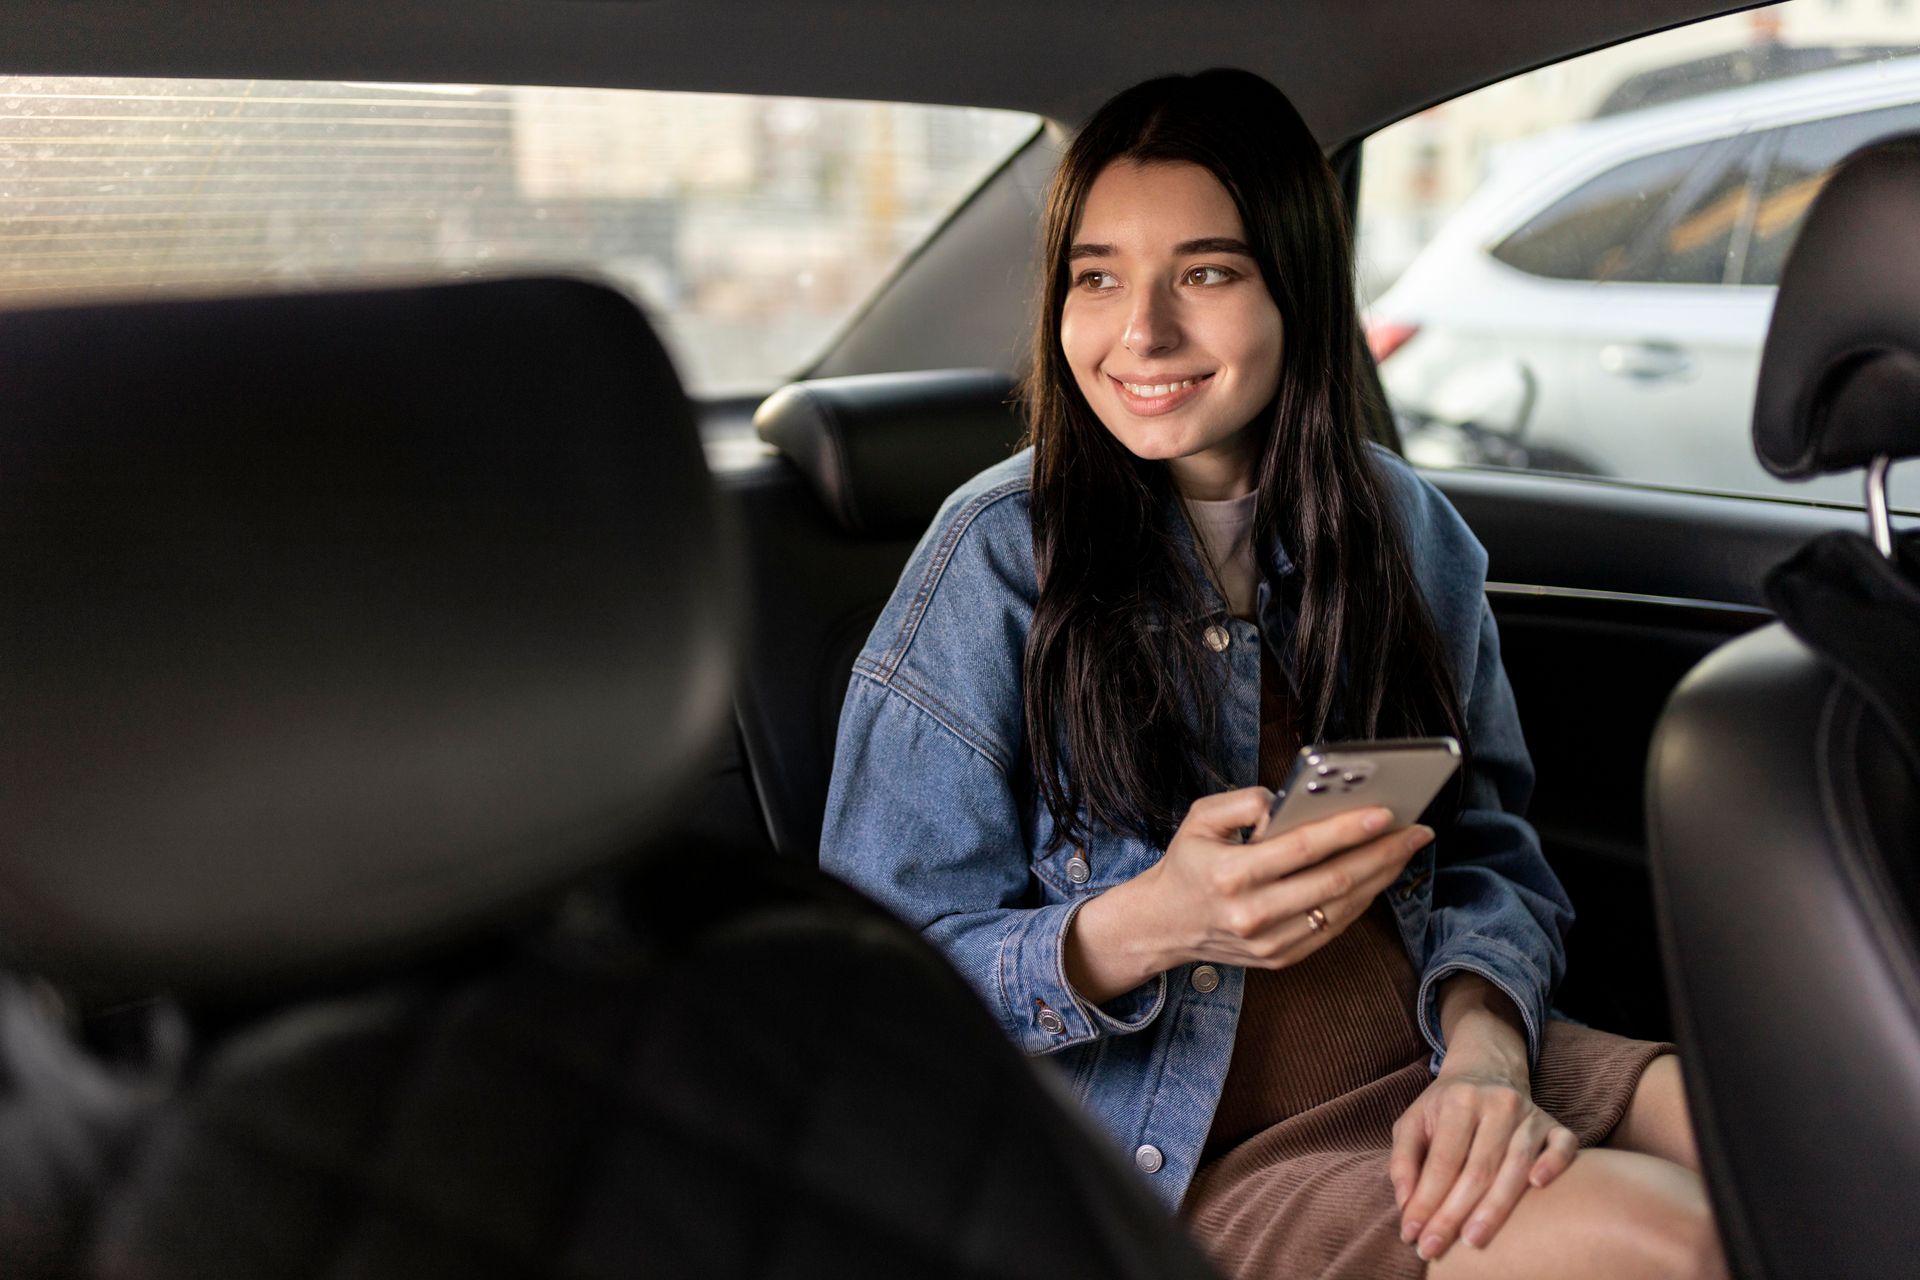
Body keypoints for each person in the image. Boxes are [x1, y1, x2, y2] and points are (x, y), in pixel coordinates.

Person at [819, 68, 1725, 1279]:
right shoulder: (992, 558)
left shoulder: (1404, 526)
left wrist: (1489, 1051)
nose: (1141, 333)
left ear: (1293, 288)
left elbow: (1490, 851)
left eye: (1205, 272)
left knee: (1795, 1156)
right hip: (1190, 1144)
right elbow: (871, 987)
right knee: (1675, 1239)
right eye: (1098, 277)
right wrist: (1151, 923)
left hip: (1439, 1054)